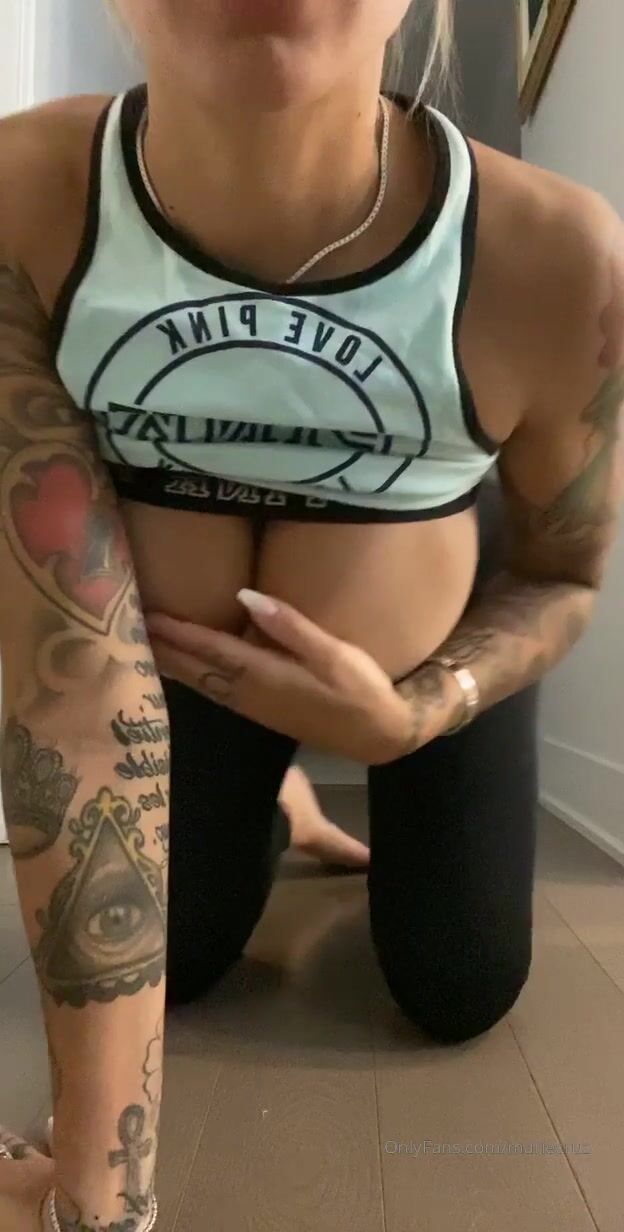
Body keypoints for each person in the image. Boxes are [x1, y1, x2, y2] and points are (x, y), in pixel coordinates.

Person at [0, 0, 622, 1227]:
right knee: (179, 960)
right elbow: (69, 674)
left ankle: (335, 770)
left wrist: (417, 709)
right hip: (181, 670)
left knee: (458, 982)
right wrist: (96, 1193)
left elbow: (567, 575)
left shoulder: (560, 256)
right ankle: (279, 794)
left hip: (428, 670)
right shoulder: (27, 201)